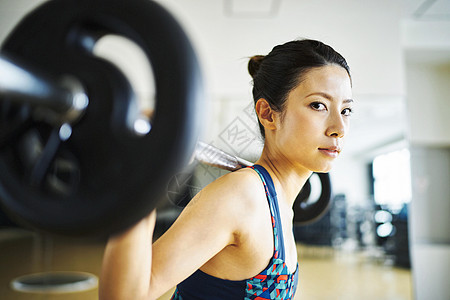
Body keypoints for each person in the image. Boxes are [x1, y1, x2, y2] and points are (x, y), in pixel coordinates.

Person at [99, 39, 353, 300]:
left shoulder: (277, 203)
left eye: (346, 110)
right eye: (318, 105)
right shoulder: (242, 196)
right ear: (268, 114)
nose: (339, 128)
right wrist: (144, 171)